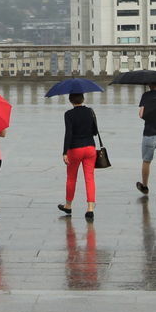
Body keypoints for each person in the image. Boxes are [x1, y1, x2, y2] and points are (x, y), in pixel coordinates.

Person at [59, 92, 98, 221]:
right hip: (90, 148)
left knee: (71, 178)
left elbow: (68, 134)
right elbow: (95, 131)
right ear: (83, 99)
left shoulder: (68, 114)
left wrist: (65, 152)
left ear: (70, 100)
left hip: (75, 149)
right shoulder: (90, 112)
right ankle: (90, 208)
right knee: (89, 178)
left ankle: (68, 205)